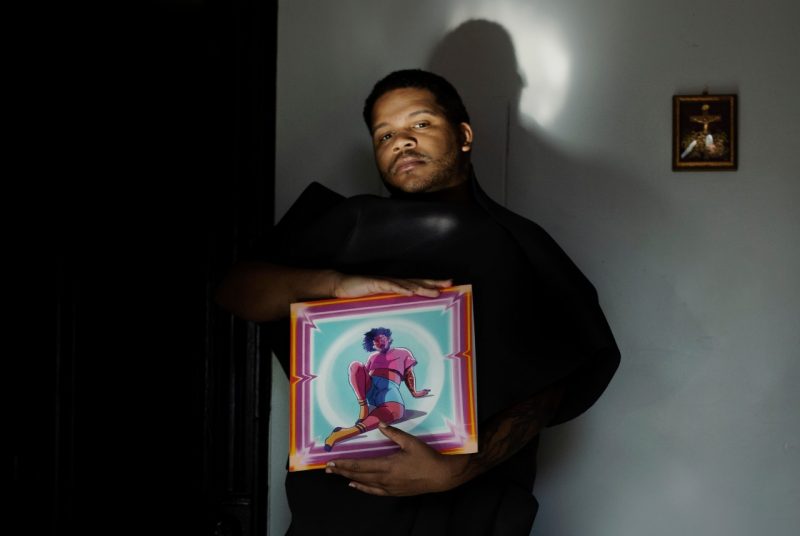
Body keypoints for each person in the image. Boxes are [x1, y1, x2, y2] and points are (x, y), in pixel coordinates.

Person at [216, 69, 620, 535]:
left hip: (472, 512)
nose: (401, 142)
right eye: (384, 134)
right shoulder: (350, 222)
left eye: (420, 124)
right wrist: (336, 284)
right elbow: (236, 292)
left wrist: (456, 471)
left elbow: (554, 387)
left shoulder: (520, 244)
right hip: (338, 509)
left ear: (464, 135)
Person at [325, 327, 430, 451]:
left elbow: (409, 374)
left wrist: (414, 392)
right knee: (356, 366)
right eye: (375, 341)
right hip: (371, 387)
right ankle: (363, 406)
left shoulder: (403, 353)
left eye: (381, 338)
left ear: (389, 339)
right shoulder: (372, 357)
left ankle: (340, 434)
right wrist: (364, 399)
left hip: (389, 390)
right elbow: (361, 376)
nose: (380, 342)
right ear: (372, 345)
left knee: (397, 412)